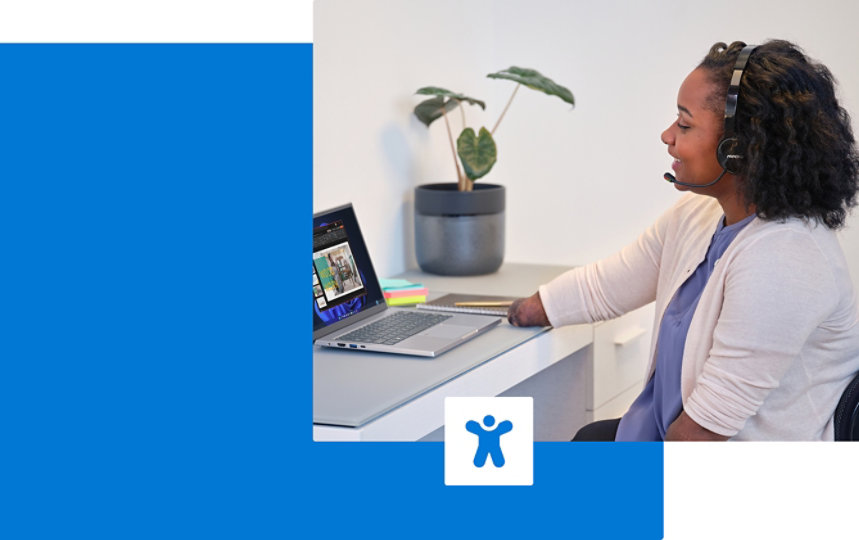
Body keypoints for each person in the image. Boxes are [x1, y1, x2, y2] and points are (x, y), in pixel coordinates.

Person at [507, 40, 859, 441]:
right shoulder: (699, 217)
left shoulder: (788, 258)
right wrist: (511, 312)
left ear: (741, 148)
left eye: (685, 125)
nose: (667, 135)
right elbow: (605, 287)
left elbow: (702, 435)